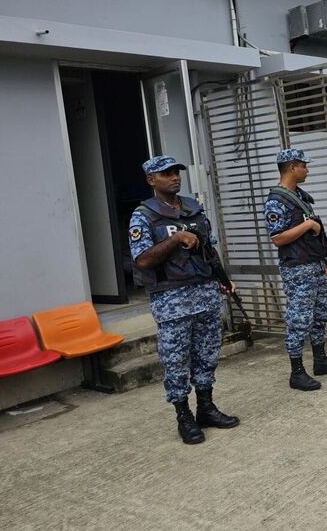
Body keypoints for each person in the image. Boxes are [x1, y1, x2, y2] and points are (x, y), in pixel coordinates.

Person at [129, 155, 240, 445]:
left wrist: (223, 280)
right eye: (166, 174)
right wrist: (176, 239)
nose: (175, 177)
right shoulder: (143, 215)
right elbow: (141, 261)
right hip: (172, 299)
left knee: (207, 354)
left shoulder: (193, 208)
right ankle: (184, 416)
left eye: (176, 172)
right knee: (176, 360)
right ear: (151, 180)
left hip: (204, 292)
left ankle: (206, 407)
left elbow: (209, 250)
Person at [264, 148, 327, 391]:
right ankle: (297, 372)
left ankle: (320, 360)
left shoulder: (300, 196)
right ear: (292, 167)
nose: (307, 170)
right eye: (304, 165)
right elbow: (278, 238)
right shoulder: (276, 201)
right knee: (299, 319)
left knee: (320, 314)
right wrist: (308, 225)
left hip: (314, 263)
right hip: (297, 268)